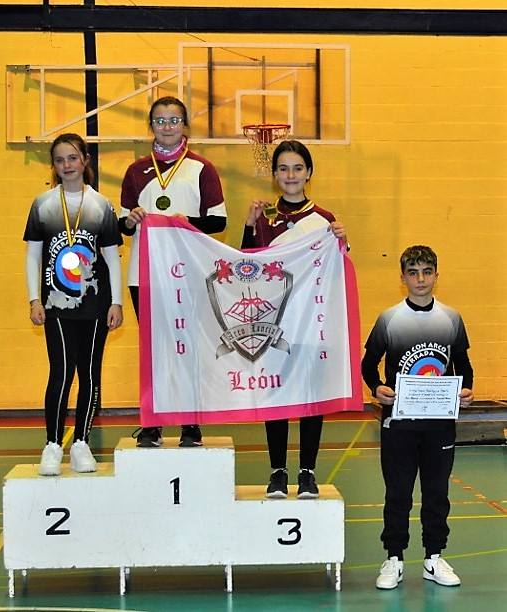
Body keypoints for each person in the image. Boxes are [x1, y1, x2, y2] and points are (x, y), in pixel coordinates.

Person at [361, 245, 474, 590]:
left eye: (427, 272)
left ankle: (433, 557)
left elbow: (464, 367)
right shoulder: (389, 319)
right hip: (399, 423)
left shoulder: (451, 318)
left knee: (437, 493)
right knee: (398, 492)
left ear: (437, 276)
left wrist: (466, 391)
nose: (420, 279)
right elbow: (369, 364)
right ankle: (393, 558)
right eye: (413, 272)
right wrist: (377, 387)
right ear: (403, 278)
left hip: (440, 425)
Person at [241, 139, 347, 499]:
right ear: (274, 175)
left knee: (310, 396)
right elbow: (246, 266)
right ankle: (277, 471)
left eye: (298, 168)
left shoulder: (325, 219)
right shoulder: (265, 215)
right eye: (283, 168)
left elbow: (337, 274)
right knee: (276, 394)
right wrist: (247, 226)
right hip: (274, 322)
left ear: (309, 173)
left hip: (312, 320)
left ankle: (307, 472)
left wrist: (343, 244)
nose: (291, 175)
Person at [119, 96, 227, 448]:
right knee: (155, 348)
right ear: (151, 125)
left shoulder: (201, 168)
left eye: (174, 120)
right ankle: (152, 422)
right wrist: (130, 219)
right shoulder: (136, 171)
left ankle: (190, 422)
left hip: (189, 274)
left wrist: (186, 222)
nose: (167, 127)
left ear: (185, 125)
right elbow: (123, 224)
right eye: (160, 120)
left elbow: (218, 220)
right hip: (145, 274)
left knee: (189, 346)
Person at [24, 133, 124, 476]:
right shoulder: (43, 205)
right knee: (62, 373)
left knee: (90, 373)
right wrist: (34, 299)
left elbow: (112, 259)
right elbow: (33, 254)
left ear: (84, 161)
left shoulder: (101, 206)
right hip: (56, 303)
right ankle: (52, 444)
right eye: (60, 159)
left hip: (96, 305)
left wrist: (117, 302)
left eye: (72, 158)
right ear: (54, 166)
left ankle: (81, 442)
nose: (66, 165)